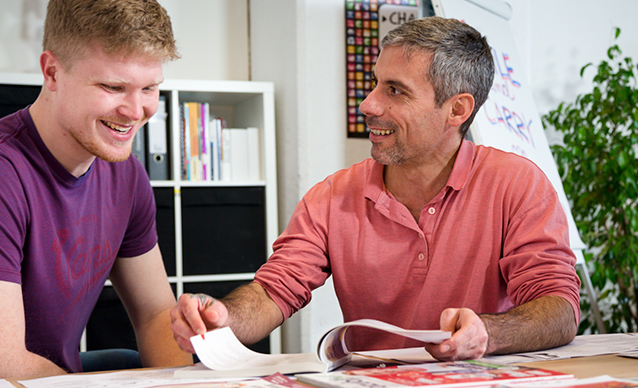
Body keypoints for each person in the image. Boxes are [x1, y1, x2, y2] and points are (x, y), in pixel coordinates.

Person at [170, 16, 581, 361]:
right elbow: (274, 291)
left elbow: (559, 309)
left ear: (457, 109)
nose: (368, 104)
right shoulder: (331, 196)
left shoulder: (517, 183)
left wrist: (487, 332)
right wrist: (224, 317)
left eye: (395, 90)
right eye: (375, 83)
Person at [0, 0, 191, 383]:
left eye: (149, 87)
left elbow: (155, 314)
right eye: (113, 87)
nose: (137, 111)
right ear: (52, 71)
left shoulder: (126, 175)